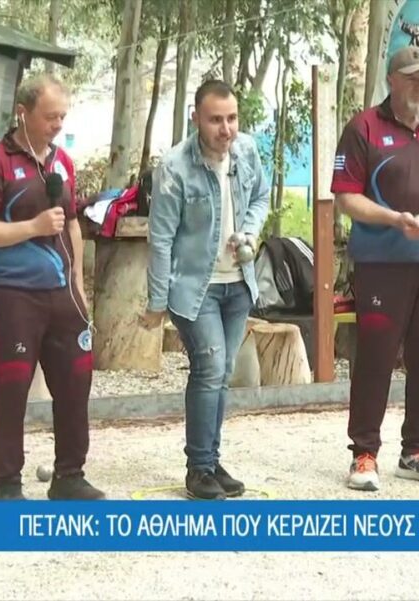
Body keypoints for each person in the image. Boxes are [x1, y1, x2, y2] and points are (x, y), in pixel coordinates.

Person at [331, 46, 419, 491]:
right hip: (382, 263)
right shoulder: (363, 128)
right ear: (391, 80)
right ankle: (364, 453)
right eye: (413, 78)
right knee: (375, 357)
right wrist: (396, 220)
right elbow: (346, 197)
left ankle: (416, 450)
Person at [0, 74, 104, 500]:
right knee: (12, 387)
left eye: (62, 116)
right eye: (50, 117)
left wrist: (78, 283)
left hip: (63, 294)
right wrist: (32, 227)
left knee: (76, 382)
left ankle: (69, 476)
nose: (57, 125)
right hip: (14, 293)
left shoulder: (63, 163)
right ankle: (7, 484)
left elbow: (72, 224)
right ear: (22, 113)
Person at [141, 79, 270, 500]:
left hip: (238, 283)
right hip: (195, 288)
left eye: (232, 118)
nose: (226, 129)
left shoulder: (246, 151)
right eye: (216, 120)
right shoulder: (174, 167)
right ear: (196, 118)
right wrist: (157, 301)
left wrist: (249, 232)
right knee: (210, 368)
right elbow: (160, 238)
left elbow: (261, 198)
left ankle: (211, 461)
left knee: (222, 373)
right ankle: (198, 468)